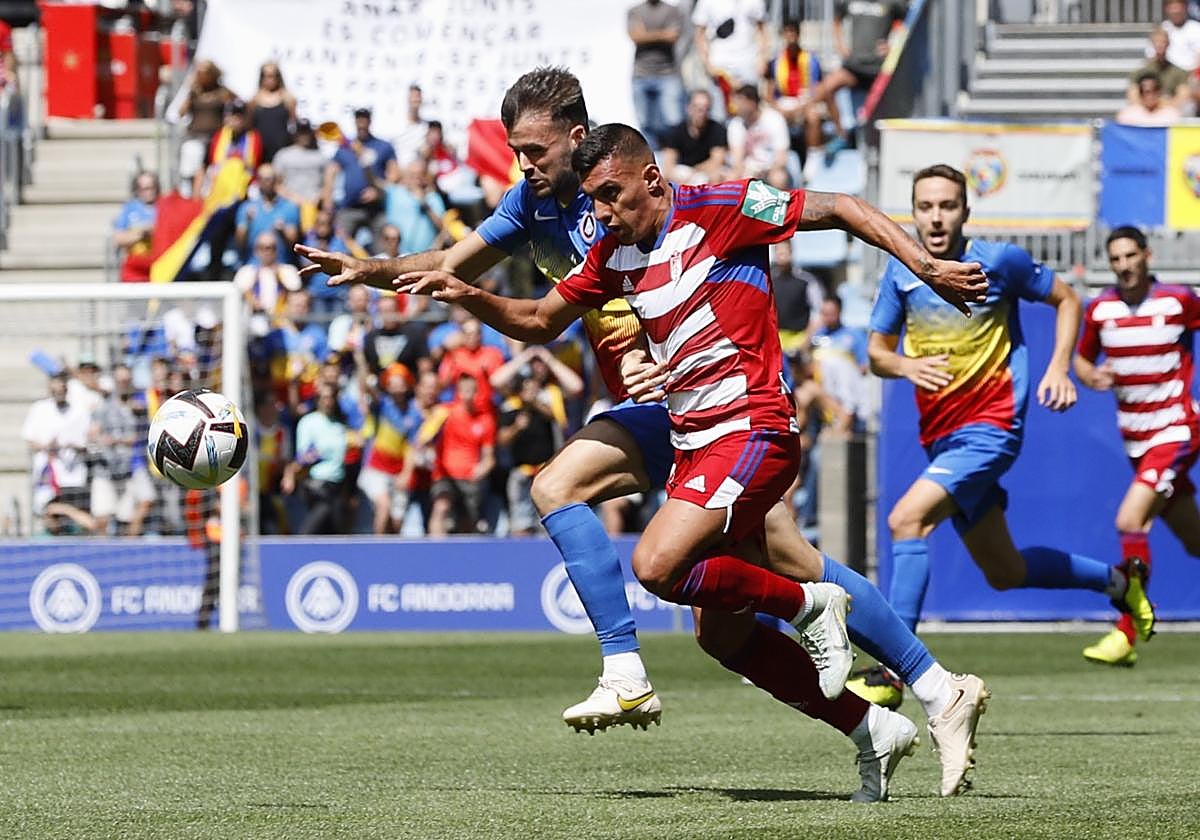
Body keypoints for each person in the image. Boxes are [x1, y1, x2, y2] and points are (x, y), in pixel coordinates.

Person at [297, 70, 990, 801]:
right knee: (728, 624)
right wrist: (382, 273)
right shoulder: (564, 222)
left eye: (534, 149)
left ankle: (639, 664)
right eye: (515, 151)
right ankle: (891, 717)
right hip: (684, 426)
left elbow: (841, 206)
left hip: (734, 420)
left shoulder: (696, 200)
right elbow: (511, 302)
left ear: (580, 139)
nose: (526, 165)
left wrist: (926, 266)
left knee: (635, 533)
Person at [864, 164, 1157, 688]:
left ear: (965, 212)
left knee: (906, 521)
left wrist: (1059, 365)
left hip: (991, 429)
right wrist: (906, 364)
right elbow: (876, 353)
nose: (936, 217)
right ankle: (1120, 582)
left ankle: (892, 674)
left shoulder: (998, 261)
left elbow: (1068, 298)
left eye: (947, 206)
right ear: (914, 213)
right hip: (943, 439)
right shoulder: (901, 271)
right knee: (1005, 572)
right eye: (926, 206)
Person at [1073, 226, 1200, 666]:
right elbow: (1083, 360)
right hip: (1137, 441)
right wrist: (1090, 376)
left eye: (1131, 256)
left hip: (1177, 430)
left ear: (1147, 255)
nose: (1124, 265)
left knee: (1130, 520)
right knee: (1194, 540)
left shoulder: (1178, 300)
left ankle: (1128, 629)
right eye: (1116, 259)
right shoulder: (1100, 310)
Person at [424, 375, 497, 535]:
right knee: (441, 507)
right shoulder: (444, 412)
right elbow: (425, 437)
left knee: (467, 522)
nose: (467, 395)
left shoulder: (486, 420)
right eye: (464, 391)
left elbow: (489, 457)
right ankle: (435, 552)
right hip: (445, 475)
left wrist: (482, 470)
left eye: (471, 391)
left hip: (469, 478)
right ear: (458, 392)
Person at [89, 363, 156, 537]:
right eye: (120, 380)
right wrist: (101, 440)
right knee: (102, 518)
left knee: (126, 518)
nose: (123, 384)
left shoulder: (139, 406)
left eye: (127, 380)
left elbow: (137, 437)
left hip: (128, 471)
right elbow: (93, 434)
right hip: (106, 470)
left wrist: (116, 440)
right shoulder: (104, 407)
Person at [23, 373, 92, 535]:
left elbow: (88, 441)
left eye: (61, 388)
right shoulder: (39, 409)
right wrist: (47, 446)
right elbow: (30, 439)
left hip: (73, 475)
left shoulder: (79, 410)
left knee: (77, 520)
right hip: (49, 475)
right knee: (50, 515)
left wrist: (74, 445)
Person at [282, 381, 349, 534]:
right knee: (319, 518)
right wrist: (317, 454)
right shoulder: (308, 422)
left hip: (337, 485)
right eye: (324, 397)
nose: (328, 401)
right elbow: (302, 455)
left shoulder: (340, 425)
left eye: (331, 397)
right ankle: (299, 547)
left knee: (335, 530)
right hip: (317, 486)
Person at [627, 0, 686, 149]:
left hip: (668, 73)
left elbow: (673, 36)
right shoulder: (635, 11)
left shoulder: (672, 10)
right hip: (641, 74)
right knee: (645, 123)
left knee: (673, 122)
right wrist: (662, 34)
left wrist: (647, 34)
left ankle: (673, 161)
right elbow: (635, 36)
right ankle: (652, 160)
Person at [692, 0, 769, 113]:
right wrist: (706, 63)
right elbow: (700, 34)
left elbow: (763, 30)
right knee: (718, 114)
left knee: (749, 112)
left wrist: (763, 59)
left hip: (748, 64)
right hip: (719, 66)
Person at [177, 60, 234, 197]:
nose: (202, 76)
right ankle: (189, 193)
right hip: (195, 136)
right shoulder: (194, 93)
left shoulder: (223, 92)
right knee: (192, 159)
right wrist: (190, 91)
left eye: (205, 73)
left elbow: (236, 108)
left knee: (212, 169)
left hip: (216, 138)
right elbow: (181, 112)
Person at [233, 231, 302, 334]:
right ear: (256, 250)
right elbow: (237, 295)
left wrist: (278, 276)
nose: (267, 251)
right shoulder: (246, 272)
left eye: (271, 247)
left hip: (283, 326)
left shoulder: (288, 271)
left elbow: (296, 294)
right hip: (252, 326)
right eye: (262, 247)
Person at [659, 89, 729, 186]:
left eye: (706, 108)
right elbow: (668, 165)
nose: (701, 112)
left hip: (705, 172)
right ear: (689, 108)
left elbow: (717, 161)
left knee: (718, 175)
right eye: (698, 108)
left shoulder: (717, 129)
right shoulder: (676, 131)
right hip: (684, 171)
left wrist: (696, 172)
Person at [727, 84, 791, 189]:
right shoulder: (735, 124)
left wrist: (766, 171)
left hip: (771, 168)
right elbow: (737, 160)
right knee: (730, 179)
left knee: (779, 178)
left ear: (752, 102)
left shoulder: (774, 119)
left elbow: (782, 158)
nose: (736, 106)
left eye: (740, 102)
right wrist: (749, 174)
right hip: (747, 169)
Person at [235, 163, 301, 263]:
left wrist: (282, 231)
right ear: (258, 181)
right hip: (253, 265)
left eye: (270, 179)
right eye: (263, 179)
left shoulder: (289, 207)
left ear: (276, 181)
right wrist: (247, 223)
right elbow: (239, 243)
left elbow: (294, 243)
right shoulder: (247, 208)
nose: (267, 182)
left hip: (281, 265)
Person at [273, 119, 327, 229]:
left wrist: (319, 198)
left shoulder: (320, 156)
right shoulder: (283, 155)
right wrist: (293, 198)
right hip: (289, 203)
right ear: (295, 134)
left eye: (306, 132)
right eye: (301, 132)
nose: (304, 136)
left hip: (313, 204)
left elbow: (327, 184)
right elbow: (276, 184)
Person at [113, 172, 160, 282]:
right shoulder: (130, 209)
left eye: (150, 188)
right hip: (136, 265)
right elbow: (118, 238)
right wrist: (141, 234)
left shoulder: (164, 207)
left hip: (158, 264)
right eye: (143, 188)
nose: (147, 192)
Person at [1128, 28, 1191, 108]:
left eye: (1163, 42)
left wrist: (1162, 106)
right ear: (1152, 44)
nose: (1160, 45)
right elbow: (1133, 97)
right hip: (1145, 111)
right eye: (1157, 41)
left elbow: (1183, 96)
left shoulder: (1179, 72)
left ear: (1168, 44)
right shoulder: (1140, 72)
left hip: (1169, 111)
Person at [248, 62, 297, 163]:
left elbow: (294, 124)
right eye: (266, 76)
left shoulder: (288, 99)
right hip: (260, 148)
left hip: (281, 147)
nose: (270, 79)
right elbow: (249, 125)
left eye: (273, 76)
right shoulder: (254, 100)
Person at [1116, 72, 1182, 126]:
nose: (1149, 96)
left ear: (1160, 92)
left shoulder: (1171, 114)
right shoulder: (1127, 115)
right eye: (1145, 92)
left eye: (1154, 90)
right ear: (1139, 92)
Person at [1155, 0, 1200, 73]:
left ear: (1185, 8)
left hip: (1191, 74)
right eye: (1172, 8)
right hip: (1166, 74)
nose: (1175, 11)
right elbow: (1152, 56)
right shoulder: (1163, 28)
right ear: (1166, 9)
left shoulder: (1196, 28)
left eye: (1178, 8)